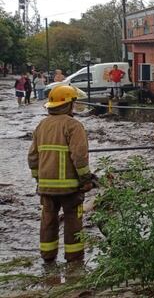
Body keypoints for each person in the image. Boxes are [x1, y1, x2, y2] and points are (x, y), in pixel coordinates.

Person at [27, 85, 95, 262]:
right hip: (70, 187)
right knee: (73, 221)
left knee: (48, 220)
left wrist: (39, 179)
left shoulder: (41, 125)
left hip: (46, 187)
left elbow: (32, 157)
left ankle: (48, 257)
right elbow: (79, 157)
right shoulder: (74, 125)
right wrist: (86, 179)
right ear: (69, 104)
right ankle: (74, 260)